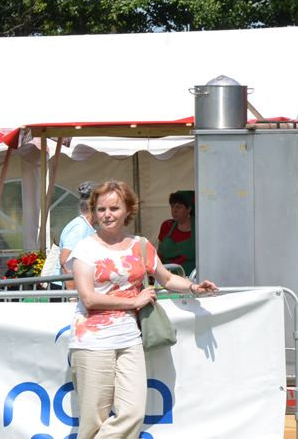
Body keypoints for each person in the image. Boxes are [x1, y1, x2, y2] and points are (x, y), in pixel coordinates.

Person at [68, 180, 218, 439]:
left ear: (128, 210)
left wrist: (194, 287)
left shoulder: (140, 245)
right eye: (101, 209)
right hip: (91, 343)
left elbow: (167, 279)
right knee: (93, 422)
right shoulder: (85, 248)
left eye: (114, 208)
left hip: (130, 340)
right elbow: (88, 298)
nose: (107, 214)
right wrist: (133, 302)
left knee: (133, 413)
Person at [59, 181, 98, 290]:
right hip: (66, 290)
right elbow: (65, 262)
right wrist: (72, 296)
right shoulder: (80, 228)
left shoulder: (86, 226)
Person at [157, 190, 196, 276]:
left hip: (192, 277)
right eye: (172, 206)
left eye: (178, 207)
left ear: (189, 209)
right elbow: (159, 255)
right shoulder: (166, 226)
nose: (174, 210)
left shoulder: (199, 228)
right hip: (168, 277)